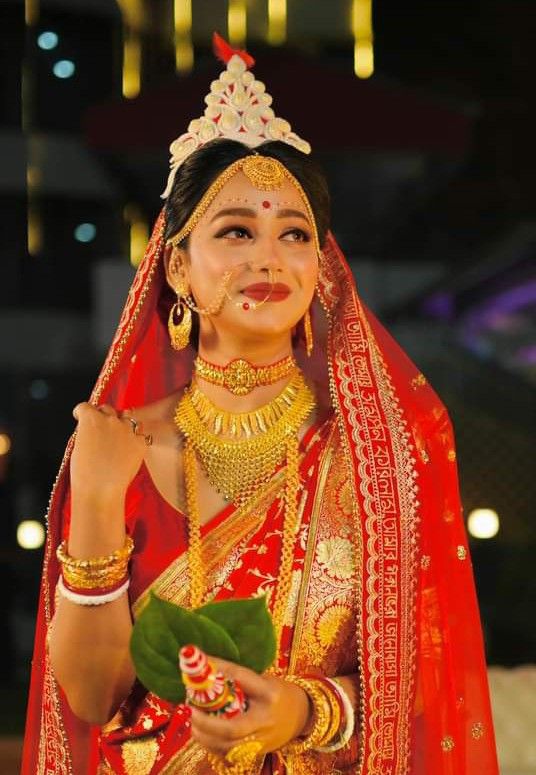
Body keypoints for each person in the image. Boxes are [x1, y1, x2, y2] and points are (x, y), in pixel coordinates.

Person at [22, 35, 499, 775]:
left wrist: (301, 710)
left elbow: (432, 687)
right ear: (176, 263)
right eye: (236, 230)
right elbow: (91, 696)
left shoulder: (380, 451)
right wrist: (94, 494)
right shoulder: (116, 445)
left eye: (295, 233)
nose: (268, 257)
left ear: (321, 266)